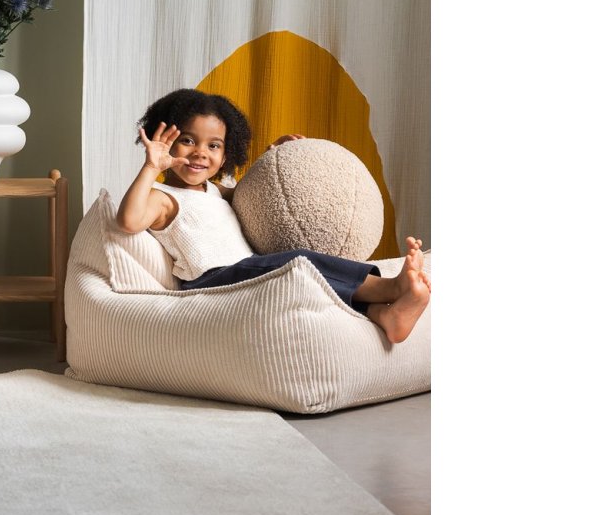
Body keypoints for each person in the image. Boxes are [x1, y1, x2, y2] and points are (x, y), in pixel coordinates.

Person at [116, 88, 430, 344]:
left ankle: (383, 314)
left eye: (214, 145)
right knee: (299, 262)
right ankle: (390, 288)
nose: (200, 152)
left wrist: (274, 157)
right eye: (187, 141)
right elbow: (129, 220)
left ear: (226, 156)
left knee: (306, 281)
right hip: (213, 283)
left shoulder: (215, 191)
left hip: (247, 271)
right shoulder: (164, 198)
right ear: (165, 143)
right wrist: (151, 167)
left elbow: (250, 193)